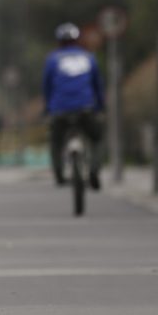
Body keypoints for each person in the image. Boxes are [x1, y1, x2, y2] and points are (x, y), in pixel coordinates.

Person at [42, 23, 105, 190]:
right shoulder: (89, 57)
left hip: (60, 110)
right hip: (86, 108)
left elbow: (47, 87)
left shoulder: (53, 60)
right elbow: (97, 85)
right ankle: (94, 170)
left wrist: (48, 108)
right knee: (96, 139)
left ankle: (59, 173)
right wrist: (100, 107)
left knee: (56, 141)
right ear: (77, 41)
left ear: (59, 42)